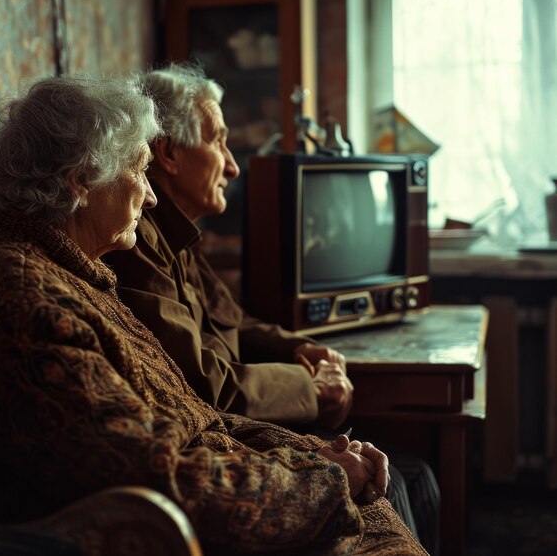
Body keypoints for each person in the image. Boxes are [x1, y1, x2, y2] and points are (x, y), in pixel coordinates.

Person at [0, 75, 427, 555]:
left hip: (233, 489)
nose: (150, 196)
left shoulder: (74, 274)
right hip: (176, 529)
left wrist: (313, 456)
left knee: (390, 494)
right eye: (140, 170)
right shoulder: (25, 309)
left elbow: (196, 419)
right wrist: (326, 479)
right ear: (82, 179)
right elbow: (159, 476)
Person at [104, 63, 440, 556]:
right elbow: (204, 382)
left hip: (237, 429)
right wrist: (311, 389)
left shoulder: (176, 235)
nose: (234, 166)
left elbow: (233, 321)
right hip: (222, 439)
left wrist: (302, 346)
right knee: (407, 481)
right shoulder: (138, 244)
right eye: (219, 142)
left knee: (418, 478)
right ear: (169, 154)